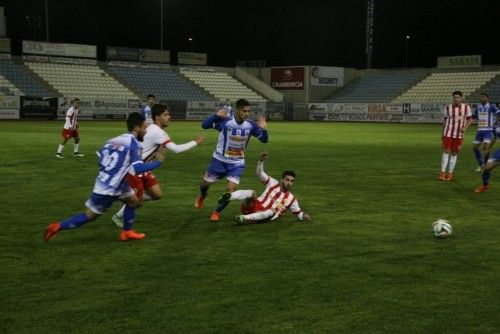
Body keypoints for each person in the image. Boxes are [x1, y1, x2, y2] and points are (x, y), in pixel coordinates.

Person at [44, 112, 165, 242]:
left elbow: (101, 157)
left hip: (116, 182)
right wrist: (158, 162)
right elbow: (137, 168)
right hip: (108, 188)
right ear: (137, 128)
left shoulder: (114, 140)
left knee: (133, 202)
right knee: (89, 216)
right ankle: (56, 227)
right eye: (144, 127)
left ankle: (126, 232)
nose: (146, 131)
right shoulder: (135, 144)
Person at [111, 104, 205, 227]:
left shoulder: (154, 129)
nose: (169, 117)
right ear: (157, 117)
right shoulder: (157, 132)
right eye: (165, 115)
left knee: (156, 194)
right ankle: (121, 211)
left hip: (144, 168)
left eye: (169, 114)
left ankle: (129, 198)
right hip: (135, 169)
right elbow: (177, 149)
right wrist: (196, 142)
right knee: (137, 202)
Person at [194, 98, 268, 221]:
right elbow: (204, 125)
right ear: (237, 110)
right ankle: (202, 196)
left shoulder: (250, 125)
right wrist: (216, 115)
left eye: (248, 111)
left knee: (231, 190)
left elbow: (264, 140)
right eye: (244, 111)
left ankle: (216, 212)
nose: (247, 113)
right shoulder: (225, 121)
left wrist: (264, 129)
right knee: (205, 184)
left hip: (236, 163)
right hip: (219, 160)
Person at [216, 152, 310, 224]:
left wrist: (304, 216)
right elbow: (260, 173)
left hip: (264, 216)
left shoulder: (291, 199)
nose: (289, 183)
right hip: (253, 206)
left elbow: (299, 214)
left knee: (272, 211)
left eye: (291, 181)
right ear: (282, 179)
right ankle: (228, 196)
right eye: (287, 180)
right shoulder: (273, 183)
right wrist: (260, 161)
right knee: (251, 193)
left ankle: (243, 218)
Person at [439, 91, 472, 181]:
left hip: (459, 135)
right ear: (452, 98)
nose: (456, 99)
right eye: (455, 97)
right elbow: (445, 121)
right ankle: (442, 173)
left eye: (458, 97)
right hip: (448, 132)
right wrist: (442, 133)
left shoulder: (466, 107)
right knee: (446, 151)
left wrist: (464, 128)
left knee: (454, 153)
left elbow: (470, 119)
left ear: (461, 98)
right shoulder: (448, 107)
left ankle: (449, 174)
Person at [475, 110, 500, 192]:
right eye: (497, 116)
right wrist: (487, 149)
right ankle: (484, 185)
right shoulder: (496, 126)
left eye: (498, 116)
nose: (497, 117)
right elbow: (494, 138)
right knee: (486, 168)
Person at [472, 93, 498, 171]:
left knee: (485, 148)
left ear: (487, 98)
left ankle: (486, 165)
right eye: (480, 97)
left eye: (483, 97)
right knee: (475, 148)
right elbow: (473, 116)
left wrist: (496, 123)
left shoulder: (491, 106)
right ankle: (481, 164)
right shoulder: (478, 107)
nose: (481, 99)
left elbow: (498, 113)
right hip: (480, 130)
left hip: (488, 130)